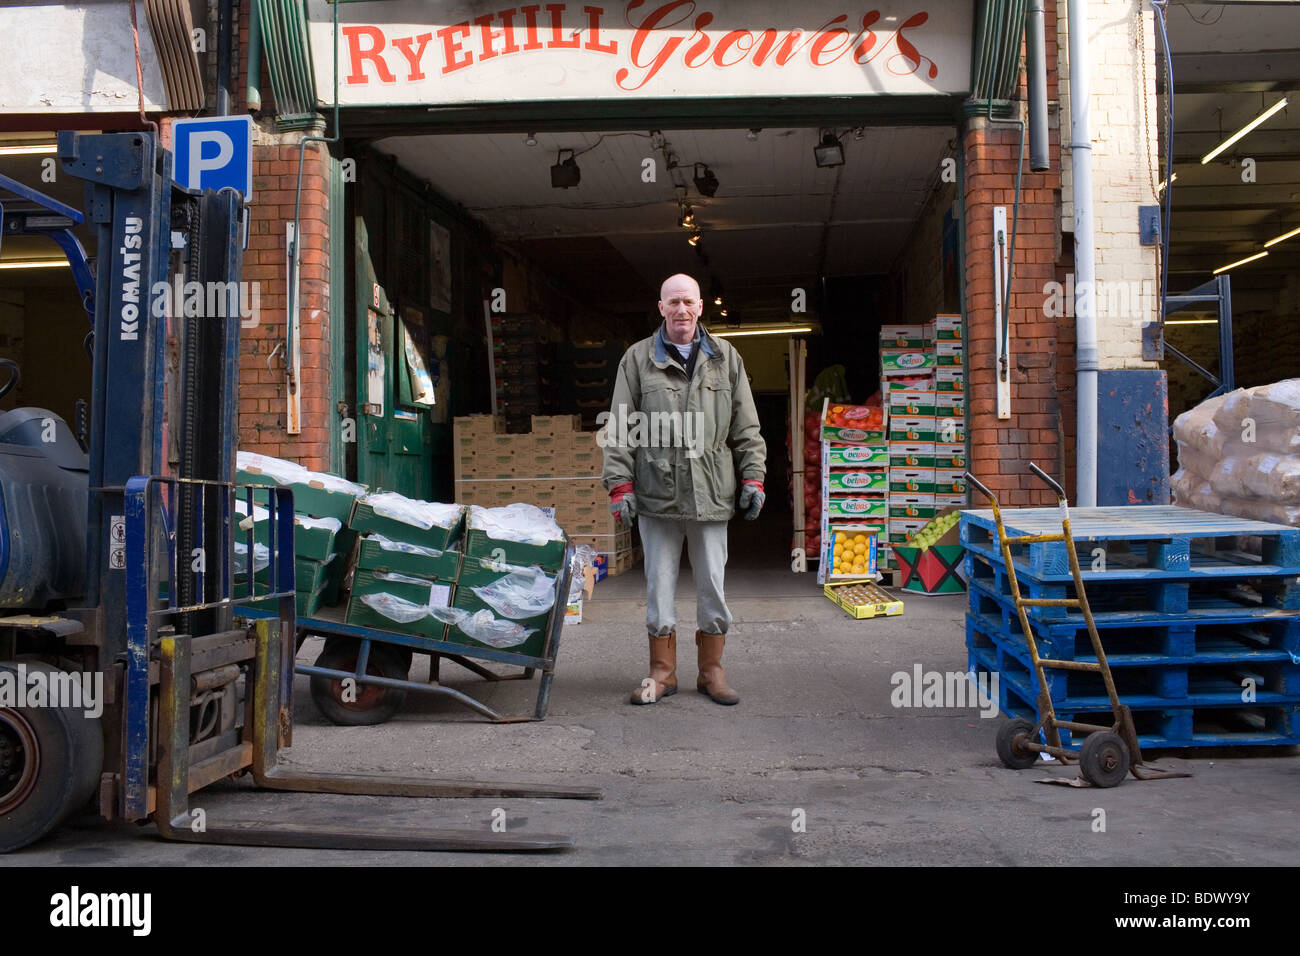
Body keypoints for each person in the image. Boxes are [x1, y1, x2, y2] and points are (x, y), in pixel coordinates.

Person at [601, 274, 766, 706]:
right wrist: (619, 484)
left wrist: (754, 476)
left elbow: (746, 425)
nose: (681, 310)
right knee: (658, 585)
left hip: (712, 491)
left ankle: (712, 671)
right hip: (657, 491)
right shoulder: (637, 360)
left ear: (699, 308)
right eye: (672, 302)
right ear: (660, 308)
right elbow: (619, 426)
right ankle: (662, 672)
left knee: (713, 583)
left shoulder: (725, 357)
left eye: (688, 302)